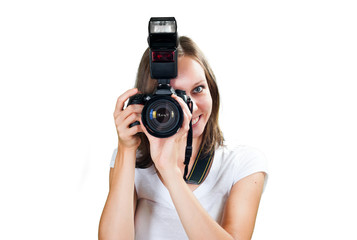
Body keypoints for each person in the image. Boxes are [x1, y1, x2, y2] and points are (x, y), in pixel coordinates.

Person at [98, 36, 268, 240]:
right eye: (175, 97)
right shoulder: (130, 157)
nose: (191, 108)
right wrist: (126, 149)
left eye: (198, 89)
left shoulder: (242, 162)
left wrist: (170, 172)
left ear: (212, 89)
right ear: (150, 104)